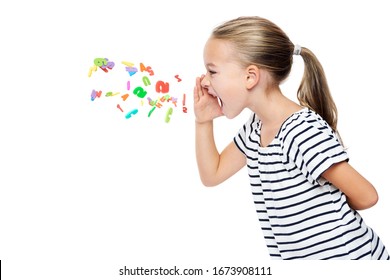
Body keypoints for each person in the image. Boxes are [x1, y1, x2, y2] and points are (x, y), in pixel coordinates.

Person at [193, 16, 389, 260]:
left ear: (250, 76)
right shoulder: (255, 129)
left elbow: (367, 195)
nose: (204, 81)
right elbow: (213, 174)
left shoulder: (301, 130)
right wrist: (203, 121)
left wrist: (324, 218)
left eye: (212, 71)